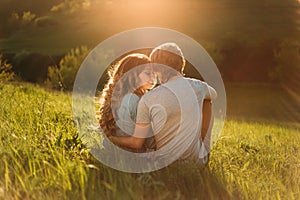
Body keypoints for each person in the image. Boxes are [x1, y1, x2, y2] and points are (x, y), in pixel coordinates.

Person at [109, 43, 216, 166]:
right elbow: (214, 94)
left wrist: (111, 138)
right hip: (197, 163)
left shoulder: (148, 99)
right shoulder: (198, 86)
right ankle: (204, 148)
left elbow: (136, 142)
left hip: (164, 163)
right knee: (207, 101)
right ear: (181, 64)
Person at [99, 53, 156, 152]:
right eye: (147, 73)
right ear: (132, 76)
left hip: (116, 151)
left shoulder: (122, 97)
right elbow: (137, 143)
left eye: (153, 73)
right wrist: (111, 140)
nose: (153, 77)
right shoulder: (133, 100)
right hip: (133, 153)